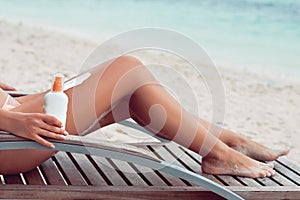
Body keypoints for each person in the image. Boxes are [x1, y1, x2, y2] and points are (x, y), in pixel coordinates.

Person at [0, 56, 289, 177]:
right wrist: (14, 121)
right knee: (127, 69)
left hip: (15, 115)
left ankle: (226, 143)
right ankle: (220, 151)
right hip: (14, 138)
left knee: (131, 96)